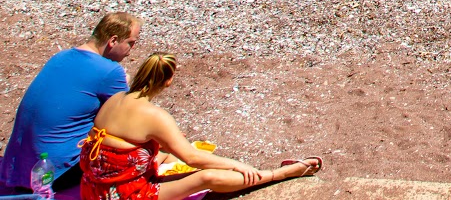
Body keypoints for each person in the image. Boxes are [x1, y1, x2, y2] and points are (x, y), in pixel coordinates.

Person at [80, 54, 319, 200]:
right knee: (206, 176)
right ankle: (280, 174)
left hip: (92, 187)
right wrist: (238, 164)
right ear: (168, 81)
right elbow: (193, 157)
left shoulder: (114, 99)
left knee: (169, 158)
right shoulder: (154, 116)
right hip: (122, 195)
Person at [1, 13, 142, 193]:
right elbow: (133, 118)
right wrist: (125, 86)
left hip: (19, 169)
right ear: (113, 41)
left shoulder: (61, 57)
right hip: (55, 173)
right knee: (136, 150)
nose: (132, 49)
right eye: (130, 42)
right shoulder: (110, 71)